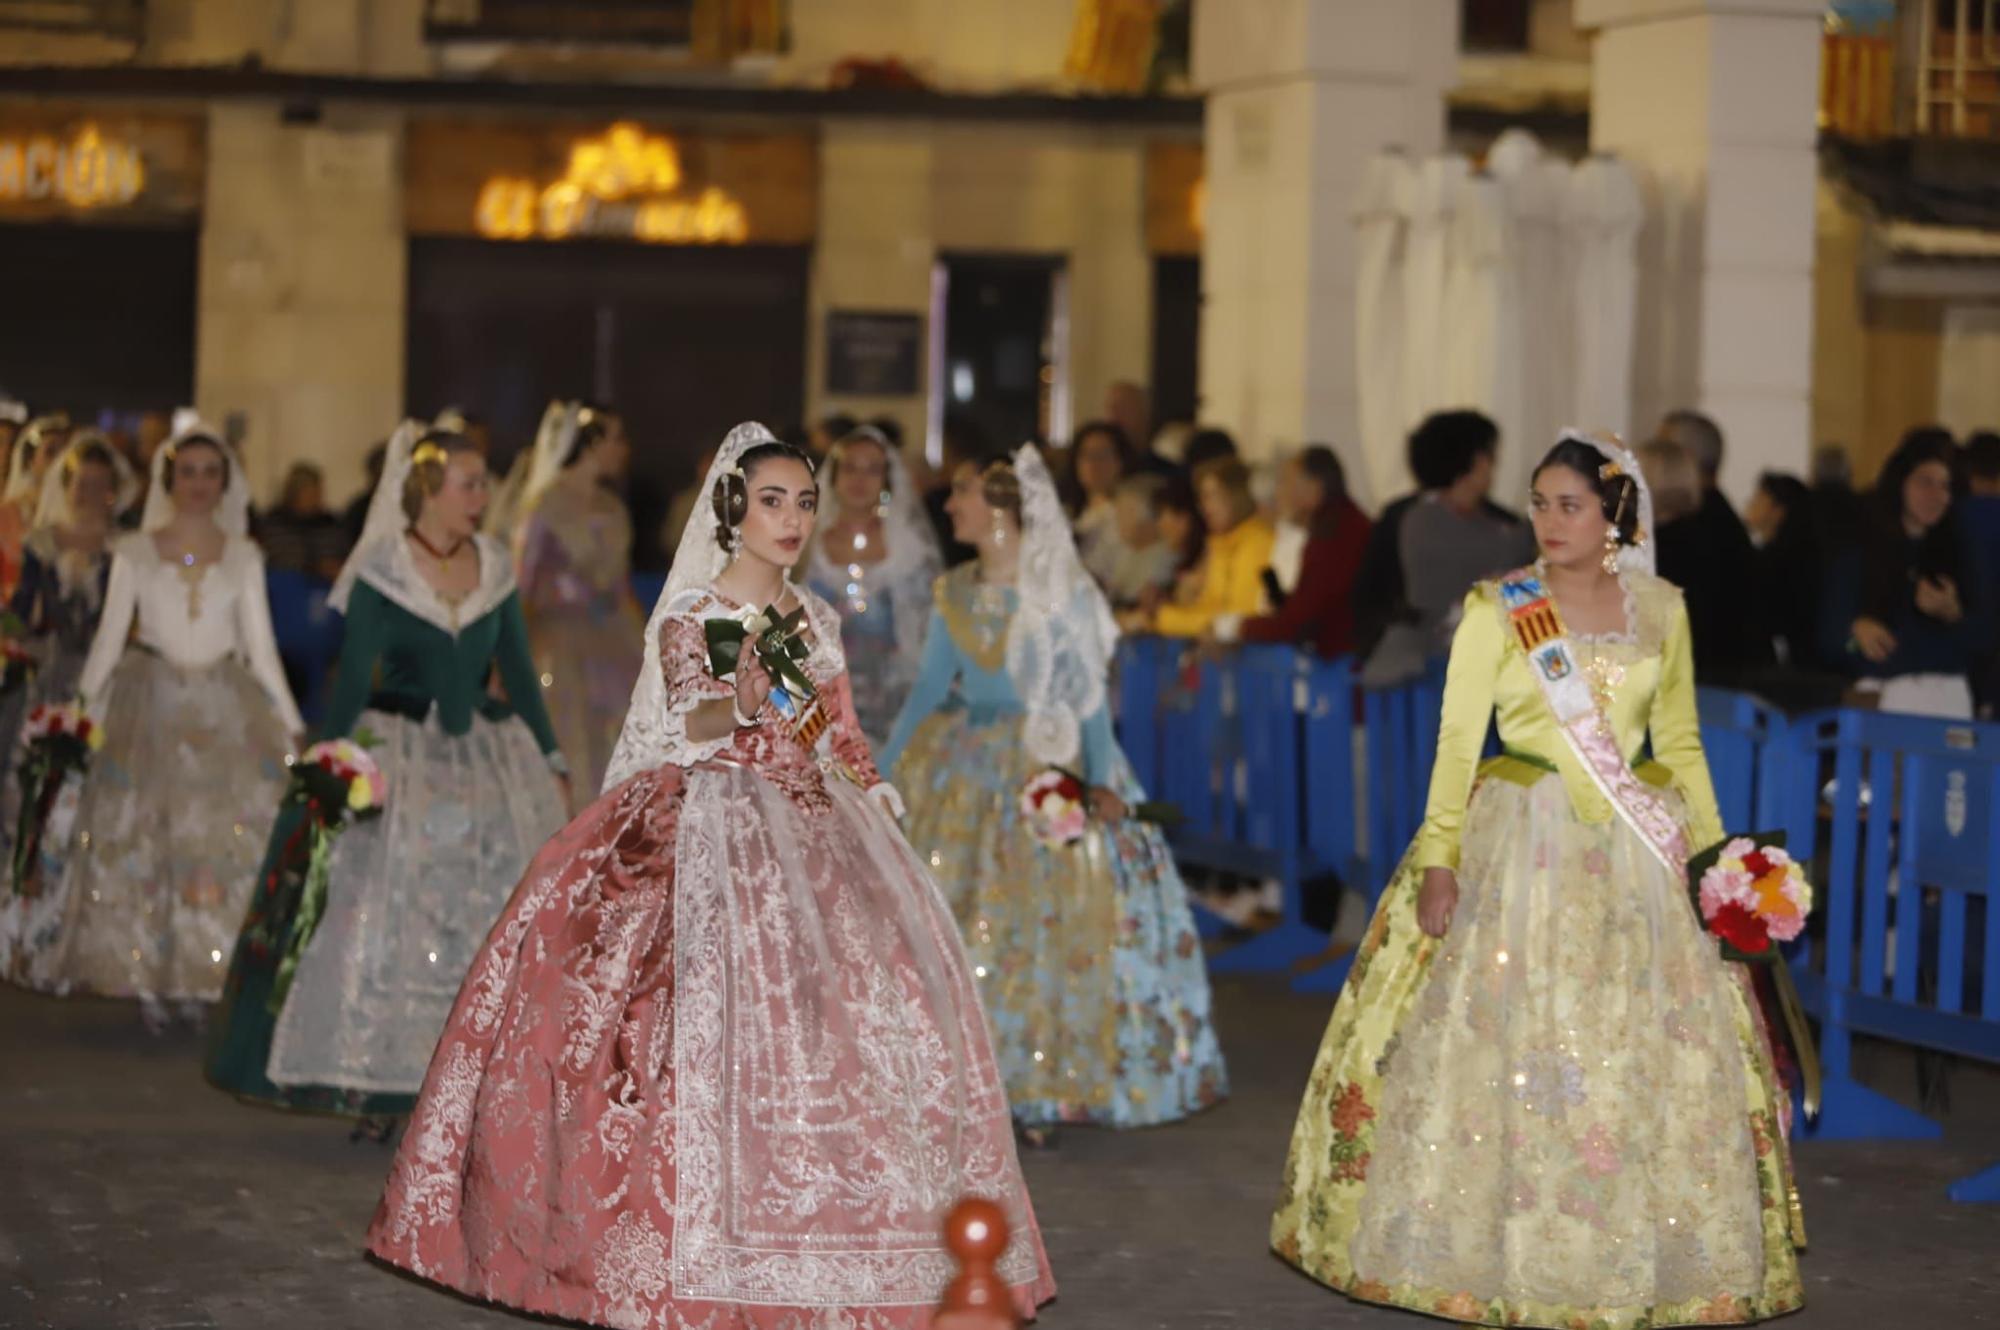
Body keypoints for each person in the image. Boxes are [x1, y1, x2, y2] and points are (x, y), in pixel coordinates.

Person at [365, 423, 1055, 1326]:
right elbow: (686, 725)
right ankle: (677, 1242)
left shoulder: (813, 619)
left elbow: (835, 730)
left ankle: (842, 1228)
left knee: (857, 1011)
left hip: (815, 821)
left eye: (803, 502)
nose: (793, 518)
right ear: (734, 511)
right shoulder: (696, 614)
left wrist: (873, 790)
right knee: (676, 1008)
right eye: (773, 500)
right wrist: (732, 703)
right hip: (711, 815)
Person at [1272, 430, 1807, 1326]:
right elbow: (1455, 743)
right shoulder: (1498, 608)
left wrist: (1721, 867)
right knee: (1509, 1042)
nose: (1550, 521)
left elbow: (1676, 747)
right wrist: (1440, 858)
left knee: (1642, 1046)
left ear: (1615, 516)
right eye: (1539, 503)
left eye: (1571, 505)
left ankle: (1636, 1249)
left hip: (1639, 857)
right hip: (1519, 842)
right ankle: (1498, 1248)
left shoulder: (1662, 610)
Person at [206, 423, 569, 1121]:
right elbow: (348, 683)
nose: (481, 495)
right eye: (468, 483)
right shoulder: (385, 566)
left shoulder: (492, 563)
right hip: (400, 749)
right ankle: (380, 1066)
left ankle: (481, 1065)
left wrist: (550, 757)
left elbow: (519, 675)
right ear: (428, 490)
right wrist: (333, 765)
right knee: (381, 900)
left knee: (490, 899)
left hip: (489, 758)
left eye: (483, 482)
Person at [881, 445, 1228, 1143]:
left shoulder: (1059, 591)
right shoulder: (955, 590)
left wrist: (1098, 778)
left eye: (963, 493)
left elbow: (1088, 699)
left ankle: (1042, 1081)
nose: (950, 506)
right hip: (970, 766)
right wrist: (881, 768)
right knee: (974, 922)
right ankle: (976, 1083)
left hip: (1049, 756)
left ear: (1002, 508)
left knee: (1049, 923)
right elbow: (928, 688)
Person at [19, 423, 303, 1031]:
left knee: (222, 835)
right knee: (147, 836)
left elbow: (261, 648)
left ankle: (211, 967)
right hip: (149, 701)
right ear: (168, 479)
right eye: (187, 471)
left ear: (223, 482)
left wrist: (292, 724)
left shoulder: (244, 555)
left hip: (226, 703)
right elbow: (108, 639)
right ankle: (150, 968)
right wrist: (81, 715)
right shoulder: (135, 552)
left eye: (209, 472)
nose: (198, 484)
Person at [0, 437, 133, 974]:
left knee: (96, 800)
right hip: (53, 678)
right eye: (83, 483)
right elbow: (21, 612)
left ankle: (80, 917)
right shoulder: (44, 543)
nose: (91, 493)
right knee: (37, 793)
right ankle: (25, 914)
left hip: (106, 681)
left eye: (102, 486)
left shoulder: (125, 549)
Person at [509, 402, 646, 802]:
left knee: (620, 734)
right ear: (591, 442)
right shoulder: (547, 505)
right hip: (559, 643)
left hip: (614, 637)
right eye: (617, 438)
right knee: (572, 741)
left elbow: (622, 588)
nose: (624, 448)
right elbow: (523, 586)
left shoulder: (612, 506)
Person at [1824, 426, 1989, 718]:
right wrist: (1855, 630)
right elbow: (1828, 637)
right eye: (1925, 482)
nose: (1936, 495)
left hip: (1947, 699)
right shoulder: (1861, 550)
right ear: (1901, 484)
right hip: (1878, 697)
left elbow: (1984, 640)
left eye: (1945, 486)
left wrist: (1954, 615)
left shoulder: (1962, 552)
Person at [1362, 412, 1535, 686]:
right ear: (1473, 461)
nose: (1492, 466)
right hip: (1438, 661)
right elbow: (1502, 556)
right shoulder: (1424, 519)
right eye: (1488, 456)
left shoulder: (1488, 517)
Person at [802, 424, 942, 750]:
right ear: (833, 476)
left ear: (887, 481)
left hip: (894, 701)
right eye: (850, 468)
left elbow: (926, 630)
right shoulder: (806, 546)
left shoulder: (909, 550)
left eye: (872, 470)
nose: (859, 480)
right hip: (819, 700)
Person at [1217, 445, 1373, 659]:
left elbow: (1301, 619)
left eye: (1286, 482)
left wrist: (1234, 628)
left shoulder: (1334, 536)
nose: (1280, 493)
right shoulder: (1330, 529)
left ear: (1314, 488)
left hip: (1342, 662)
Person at [1657, 409, 1771, 677]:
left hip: (1712, 688)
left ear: (1684, 458)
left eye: (1663, 451)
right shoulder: (1716, 517)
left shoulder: (1693, 529)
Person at [1138, 456, 1275, 638]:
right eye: (1202, 498)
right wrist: (1165, 612)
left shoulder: (1257, 543)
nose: (1204, 507)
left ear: (1236, 495)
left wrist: (1163, 617)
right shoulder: (1222, 544)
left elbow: (1238, 618)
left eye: (1212, 496)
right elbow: (1210, 607)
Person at [0, 414, 72, 600]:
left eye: (65, 452)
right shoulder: (8, 513)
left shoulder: (75, 514)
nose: (59, 461)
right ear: (31, 460)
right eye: (50, 452)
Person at [1099, 473, 1179, 609]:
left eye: (1124, 512)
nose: (1118, 520)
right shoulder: (1127, 552)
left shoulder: (1168, 557)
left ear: (1149, 516)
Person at [258, 462, 349, 582]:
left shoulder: (331, 526)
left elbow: (346, 562)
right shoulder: (272, 526)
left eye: (318, 492)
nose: (317, 498)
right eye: (309, 493)